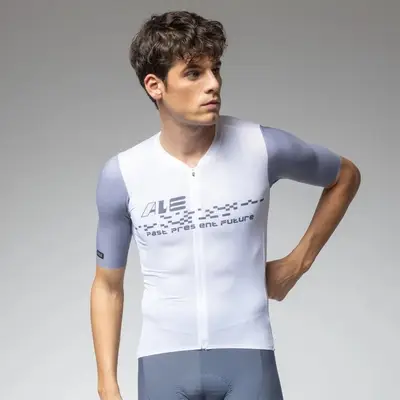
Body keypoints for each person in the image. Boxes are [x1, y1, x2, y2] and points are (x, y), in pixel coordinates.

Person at [90, 10, 361, 400]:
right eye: (194, 73)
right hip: (164, 361)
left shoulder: (262, 147)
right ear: (155, 86)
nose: (213, 84)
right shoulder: (124, 174)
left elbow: (345, 176)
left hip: (248, 355)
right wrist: (107, 385)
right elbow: (107, 286)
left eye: (215, 69)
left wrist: (296, 264)